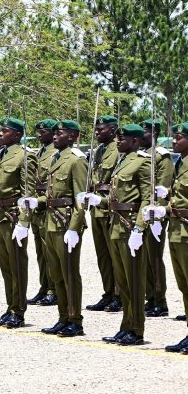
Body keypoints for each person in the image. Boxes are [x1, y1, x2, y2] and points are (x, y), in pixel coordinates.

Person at [93, 124, 150, 346]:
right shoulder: (122, 160)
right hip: (115, 226)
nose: (118, 141)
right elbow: (117, 198)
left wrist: (139, 227)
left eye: (123, 138)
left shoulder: (142, 162)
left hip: (129, 228)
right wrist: (101, 201)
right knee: (123, 282)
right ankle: (126, 326)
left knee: (135, 281)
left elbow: (146, 199)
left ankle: (137, 330)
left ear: (135, 141)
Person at [38, 120, 89, 337]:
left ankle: (75, 320)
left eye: (60, 133)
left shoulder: (76, 161)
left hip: (66, 222)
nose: (55, 137)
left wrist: (74, 228)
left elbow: (80, 199)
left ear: (72, 136)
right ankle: (63, 317)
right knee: (56, 274)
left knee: (69, 274)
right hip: (51, 221)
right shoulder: (55, 158)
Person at [0, 118, 36, 329]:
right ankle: (10, 307)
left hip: (13, 217)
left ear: (16, 135)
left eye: (4, 131)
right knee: (6, 268)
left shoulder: (25, 156)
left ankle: (19, 311)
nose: (0, 134)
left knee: (17, 267)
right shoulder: (0, 155)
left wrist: (24, 222)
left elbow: (28, 193)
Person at [140, 118, 174, 318]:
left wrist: (158, 216)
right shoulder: (140, 155)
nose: (142, 136)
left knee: (154, 258)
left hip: (155, 214)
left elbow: (163, 188)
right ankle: (149, 297)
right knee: (143, 259)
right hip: (141, 212)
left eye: (145, 132)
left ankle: (160, 301)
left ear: (155, 134)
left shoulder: (162, 156)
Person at [86, 115, 120, 312]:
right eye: (96, 129)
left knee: (115, 255)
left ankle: (119, 295)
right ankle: (108, 293)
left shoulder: (118, 150)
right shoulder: (98, 151)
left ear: (113, 130)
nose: (97, 133)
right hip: (96, 208)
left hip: (109, 207)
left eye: (101, 129)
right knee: (102, 255)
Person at [163, 122, 188, 354]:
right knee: (184, 285)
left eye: (178, 137)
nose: (174, 141)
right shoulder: (179, 163)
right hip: (177, 229)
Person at [30, 120, 59, 306]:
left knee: (50, 251)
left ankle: (53, 289)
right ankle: (44, 285)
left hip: (47, 204)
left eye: (43, 131)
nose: (40, 134)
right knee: (40, 251)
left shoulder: (55, 153)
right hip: (36, 206)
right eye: (38, 131)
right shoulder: (39, 152)